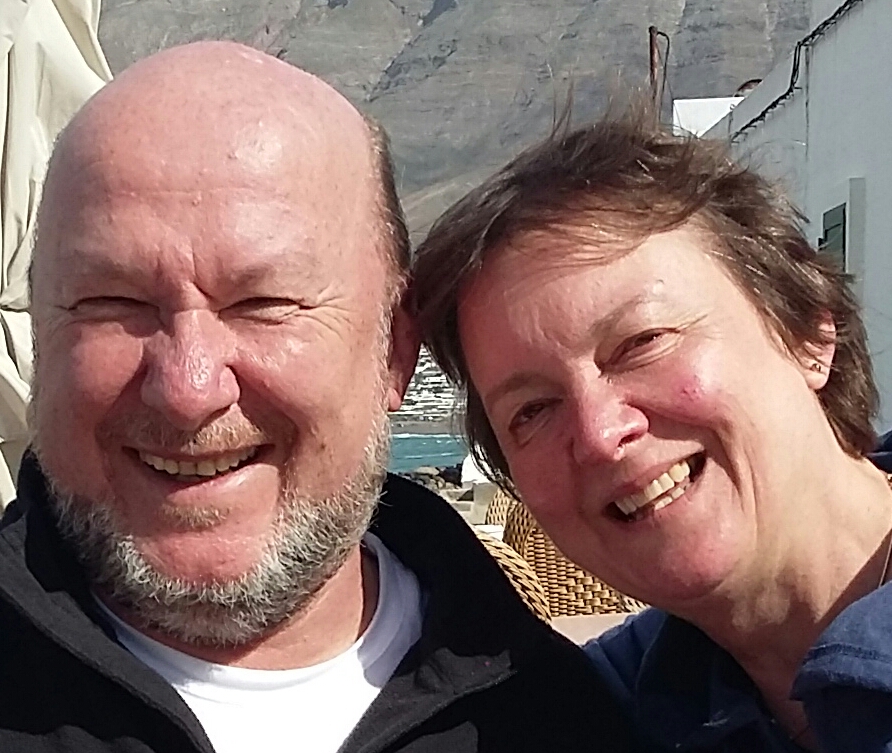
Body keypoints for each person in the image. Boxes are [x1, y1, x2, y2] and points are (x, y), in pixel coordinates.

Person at [0, 43, 636, 753]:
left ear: (394, 351)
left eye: (263, 303)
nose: (187, 387)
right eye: (112, 302)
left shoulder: (562, 724)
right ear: (40, 331)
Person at [412, 104, 892, 752]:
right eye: (533, 410)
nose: (599, 432)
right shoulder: (597, 714)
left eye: (642, 342)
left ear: (808, 332)